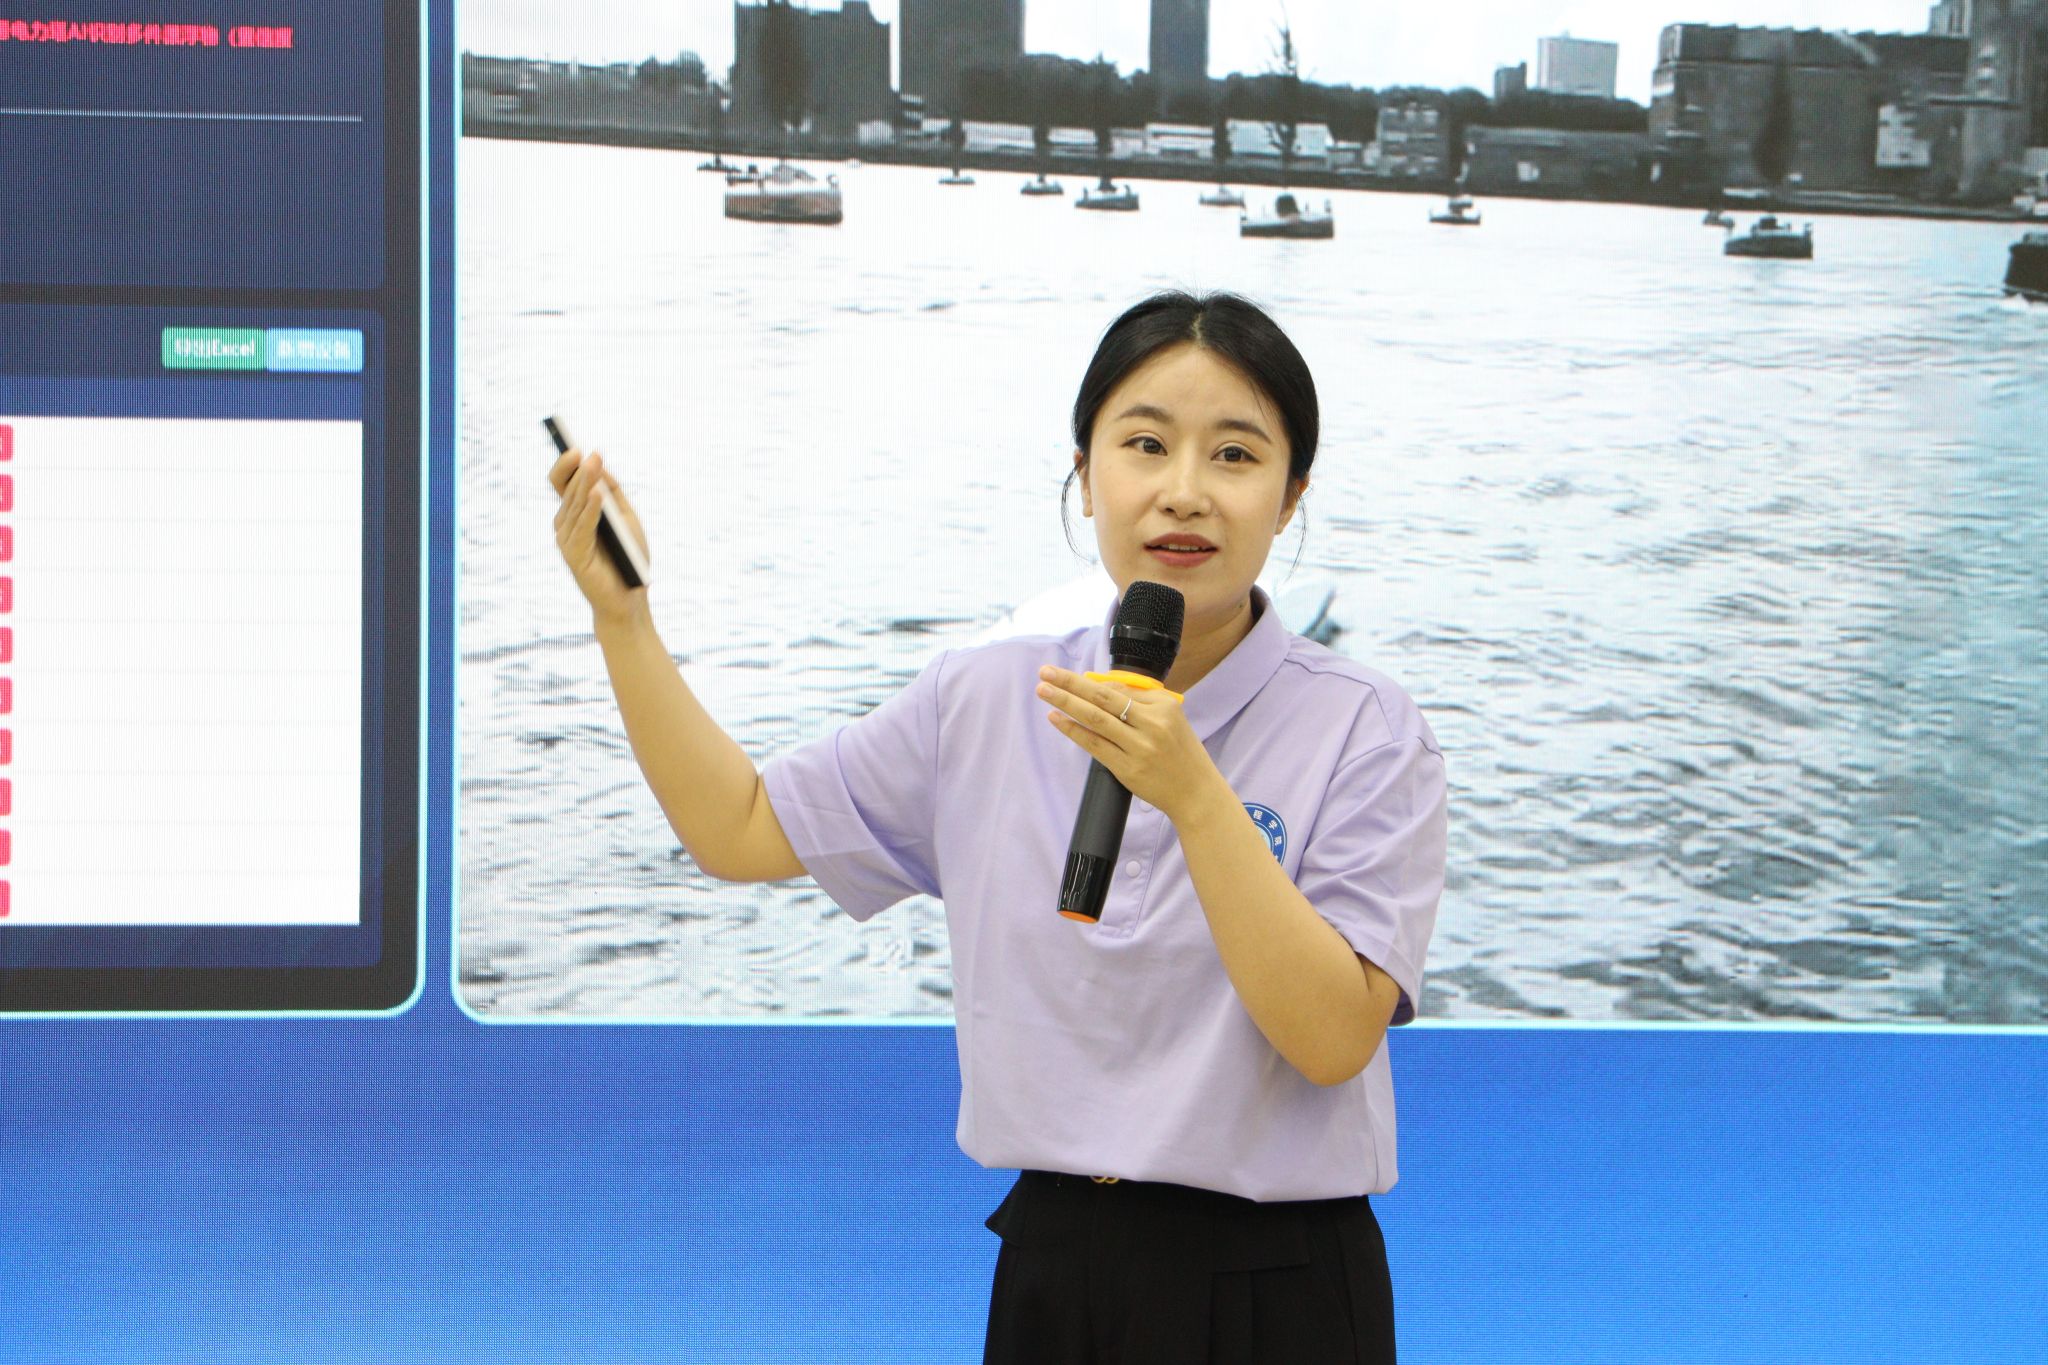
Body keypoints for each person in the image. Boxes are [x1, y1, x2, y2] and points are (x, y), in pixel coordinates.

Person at [549, 290, 1446, 1364]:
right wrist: (624, 621)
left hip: (1276, 1284)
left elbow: (1333, 1037)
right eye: (1145, 444)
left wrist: (1196, 796)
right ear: (1084, 474)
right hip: (1054, 1265)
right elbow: (737, 827)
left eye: (1235, 456)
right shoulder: (981, 698)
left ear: (1290, 496)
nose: (1184, 490)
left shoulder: (1365, 727)